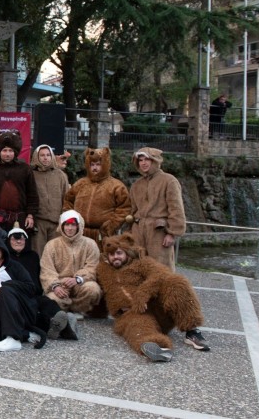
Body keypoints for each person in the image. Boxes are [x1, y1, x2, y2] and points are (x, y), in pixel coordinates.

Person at [98, 233, 209, 362]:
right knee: (137, 325)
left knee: (176, 282)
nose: (115, 257)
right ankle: (155, 347)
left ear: (127, 252)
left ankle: (192, 331)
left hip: (156, 310)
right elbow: (88, 275)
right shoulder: (103, 270)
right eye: (111, 255)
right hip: (130, 314)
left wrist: (143, 293)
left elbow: (161, 274)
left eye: (118, 253)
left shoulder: (141, 262)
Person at [0, 234, 46, 352]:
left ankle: (13, 338)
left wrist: (4, 285)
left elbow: (31, 287)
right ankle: (27, 335)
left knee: (4, 290)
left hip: (18, 310)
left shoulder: (14, 266)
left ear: (2, 249)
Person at [3, 225, 75, 340]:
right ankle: (65, 325)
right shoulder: (5, 257)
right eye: (14, 238)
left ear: (26, 241)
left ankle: (63, 325)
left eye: (21, 238)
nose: (18, 241)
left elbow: (40, 275)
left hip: (33, 293)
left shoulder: (33, 256)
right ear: (8, 241)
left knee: (48, 303)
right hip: (14, 295)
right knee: (33, 315)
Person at [128, 148, 186, 270]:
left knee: (161, 268)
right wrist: (129, 232)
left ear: (155, 161)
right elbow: (132, 210)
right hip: (138, 230)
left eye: (147, 159)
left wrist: (172, 233)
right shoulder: (136, 185)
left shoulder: (169, 180)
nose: (143, 163)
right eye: (140, 160)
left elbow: (176, 209)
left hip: (158, 232)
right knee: (137, 266)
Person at [63, 147, 131, 249]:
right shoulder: (80, 184)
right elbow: (68, 202)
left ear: (105, 165)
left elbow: (124, 208)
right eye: (92, 165)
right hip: (80, 232)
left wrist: (111, 225)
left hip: (102, 234)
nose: (95, 168)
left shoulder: (116, 186)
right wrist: (72, 222)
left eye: (98, 164)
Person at [40, 210, 102, 319]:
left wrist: (78, 279)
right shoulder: (51, 245)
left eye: (73, 224)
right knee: (52, 300)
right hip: (60, 284)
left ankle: (78, 310)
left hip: (80, 284)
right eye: (67, 224)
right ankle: (64, 312)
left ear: (79, 226)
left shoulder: (90, 244)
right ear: (62, 226)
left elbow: (92, 267)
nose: (70, 228)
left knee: (93, 289)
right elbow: (46, 270)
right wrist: (55, 286)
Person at [0, 130, 39, 232]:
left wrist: (30, 215)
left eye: (10, 151)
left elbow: (32, 194)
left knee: (19, 247)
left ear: (15, 152)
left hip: (19, 219)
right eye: (4, 150)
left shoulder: (25, 169)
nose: (7, 154)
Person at [31, 144, 70, 256]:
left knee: (56, 254)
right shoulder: (31, 175)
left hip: (56, 223)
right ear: (36, 157)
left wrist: (64, 219)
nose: (45, 158)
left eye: (48, 155)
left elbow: (66, 198)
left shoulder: (61, 175)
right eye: (42, 155)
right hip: (39, 222)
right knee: (38, 254)